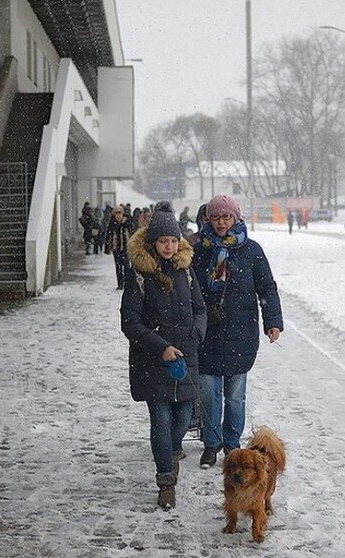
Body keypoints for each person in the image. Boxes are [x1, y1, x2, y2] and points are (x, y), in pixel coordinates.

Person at [121, 202, 206, 510]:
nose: (169, 246)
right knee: (160, 420)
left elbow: (200, 309)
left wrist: (196, 334)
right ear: (153, 243)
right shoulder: (139, 276)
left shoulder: (187, 271)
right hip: (153, 361)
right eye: (162, 241)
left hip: (186, 357)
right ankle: (166, 480)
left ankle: (170, 455)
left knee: (183, 419)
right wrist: (161, 346)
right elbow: (130, 322)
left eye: (173, 241)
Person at [193, 194, 283, 468]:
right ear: (208, 218)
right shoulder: (197, 250)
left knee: (234, 395)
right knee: (209, 394)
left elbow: (267, 287)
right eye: (216, 217)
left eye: (226, 217)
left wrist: (273, 321)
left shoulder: (252, 250)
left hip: (240, 333)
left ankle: (232, 444)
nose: (221, 223)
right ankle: (211, 443)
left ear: (236, 218)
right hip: (207, 332)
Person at [104, 205, 136, 290]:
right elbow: (108, 235)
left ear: (122, 213)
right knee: (118, 267)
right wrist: (107, 247)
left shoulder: (128, 222)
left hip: (126, 248)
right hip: (116, 248)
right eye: (116, 213)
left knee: (126, 267)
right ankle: (120, 284)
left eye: (119, 213)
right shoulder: (112, 223)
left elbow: (133, 234)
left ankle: (127, 283)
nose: (118, 215)